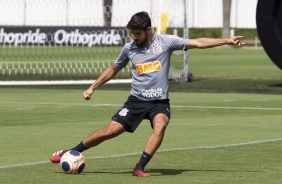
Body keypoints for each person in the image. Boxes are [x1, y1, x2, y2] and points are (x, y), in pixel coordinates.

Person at [50, 11, 244, 177]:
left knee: (161, 124)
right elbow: (113, 69)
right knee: (110, 131)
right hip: (136, 101)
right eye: (133, 33)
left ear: (149, 30)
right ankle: (71, 151)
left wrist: (226, 40)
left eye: (138, 33)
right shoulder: (129, 48)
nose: (134, 37)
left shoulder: (166, 42)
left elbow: (198, 43)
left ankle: (139, 167)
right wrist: (93, 87)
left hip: (159, 101)